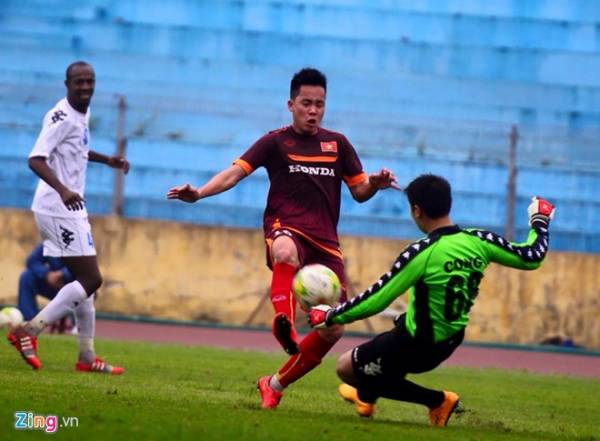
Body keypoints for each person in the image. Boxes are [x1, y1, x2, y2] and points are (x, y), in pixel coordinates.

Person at [167, 67, 399, 408]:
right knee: (285, 249)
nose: (313, 111)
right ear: (291, 104)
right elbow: (234, 174)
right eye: (306, 103)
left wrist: (375, 185)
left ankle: (273, 384)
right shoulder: (275, 142)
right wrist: (199, 193)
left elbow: (359, 192)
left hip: (326, 244)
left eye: (319, 104)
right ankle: (285, 322)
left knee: (334, 329)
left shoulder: (338, 144)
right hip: (285, 226)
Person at [308, 174, 555, 426]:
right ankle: (367, 397)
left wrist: (329, 315)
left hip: (418, 344)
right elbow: (531, 256)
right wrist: (540, 220)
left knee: (346, 368)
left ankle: (437, 401)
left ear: (416, 210)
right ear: (448, 204)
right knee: (400, 326)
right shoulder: (479, 240)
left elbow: (377, 298)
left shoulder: (422, 252)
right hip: (451, 337)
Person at [8, 61, 129, 374]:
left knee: (83, 282)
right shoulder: (60, 116)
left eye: (90, 82)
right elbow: (36, 159)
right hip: (58, 206)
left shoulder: (81, 113)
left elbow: (76, 150)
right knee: (92, 279)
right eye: (79, 82)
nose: (86, 87)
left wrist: (107, 160)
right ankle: (27, 331)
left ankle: (86, 357)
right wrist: (62, 190)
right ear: (67, 83)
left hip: (68, 206)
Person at [18, 243, 75, 333]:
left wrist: (62, 274)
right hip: (54, 286)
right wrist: (46, 274)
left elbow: (87, 268)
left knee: (82, 284)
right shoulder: (51, 242)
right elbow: (31, 261)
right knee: (27, 276)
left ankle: (78, 326)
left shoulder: (78, 241)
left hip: (75, 287)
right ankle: (29, 323)